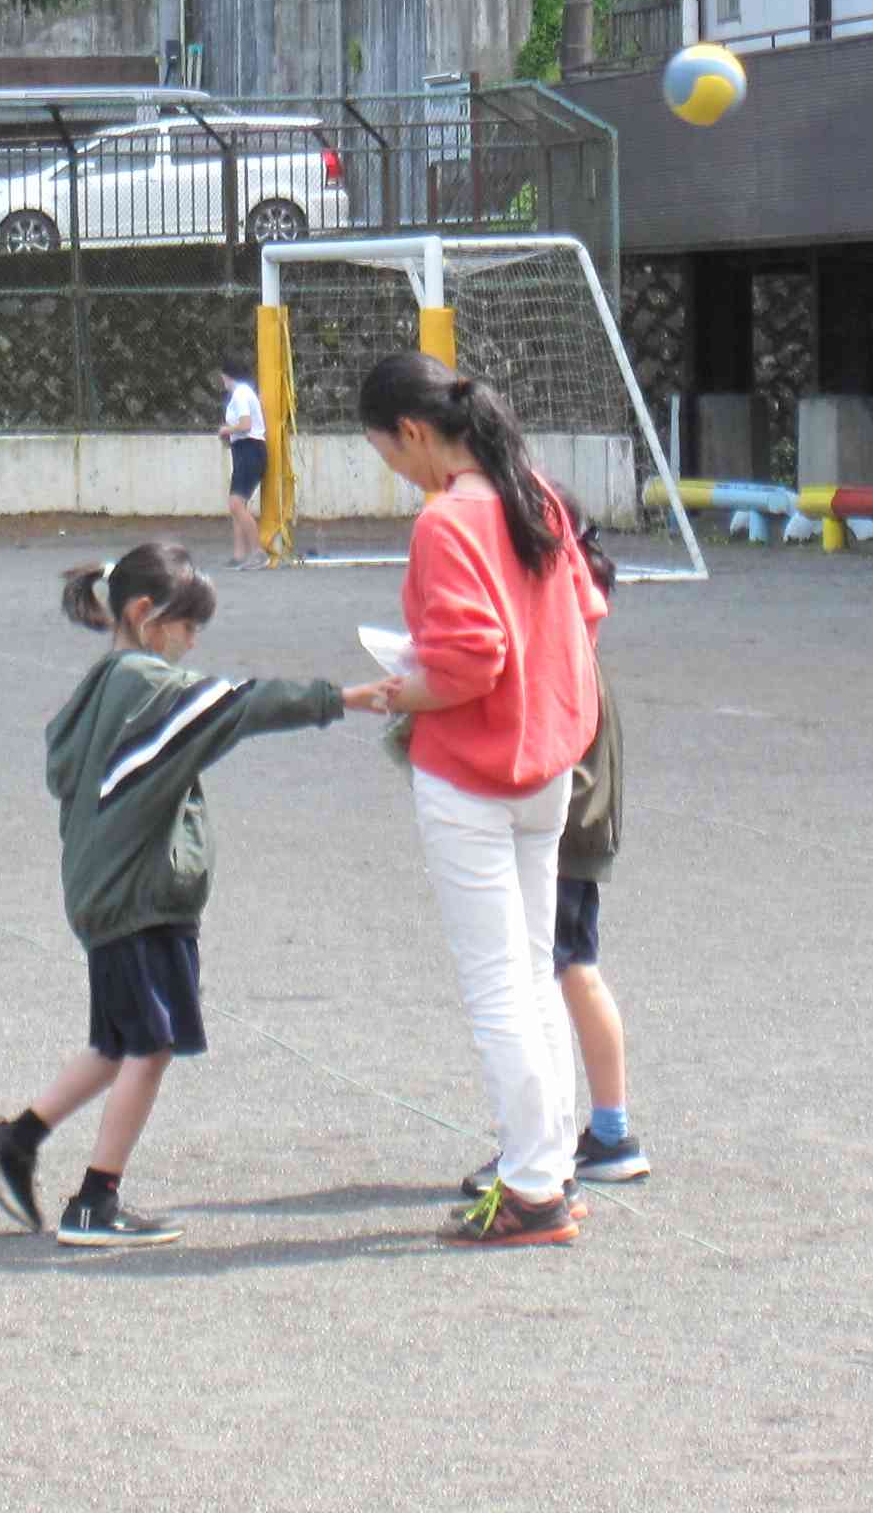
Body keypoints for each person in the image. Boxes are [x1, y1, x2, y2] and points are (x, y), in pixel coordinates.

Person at [0, 545, 381, 1247]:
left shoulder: (103, 685)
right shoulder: (143, 683)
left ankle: (17, 1140)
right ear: (144, 614)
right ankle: (95, 1201)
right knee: (150, 1046)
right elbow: (238, 707)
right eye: (187, 627)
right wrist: (341, 698)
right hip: (139, 899)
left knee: (117, 1042)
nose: (192, 643)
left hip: (112, 894)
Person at [358, 350, 607, 1248]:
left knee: (499, 985)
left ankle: (533, 1187)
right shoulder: (533, 493)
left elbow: (469, 664)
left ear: (414, 432)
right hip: (548, 763)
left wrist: (401, 691)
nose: (399, 472)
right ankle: (551, 1168)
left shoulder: (447, 521)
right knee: (535, 972)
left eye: (392, 454)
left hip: (471, 771)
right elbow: (587, 612)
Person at [456, 487, 647, 1202]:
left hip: (563, 832)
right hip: (574, 828)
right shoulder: (573, 634)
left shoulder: (564, 647)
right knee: (570, 971)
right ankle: (604, 1132)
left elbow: (547, 742)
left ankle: (569, 1140)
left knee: (552, 976)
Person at [213, 354, 268, 571]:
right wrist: (230, 435)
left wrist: (227, 430)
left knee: (236, 504)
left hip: (250, 451)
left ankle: (257, 553)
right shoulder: (242, 394)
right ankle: (239, 554)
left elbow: (246, 425)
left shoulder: (240, 394)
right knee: (238, 505)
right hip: (245, 450)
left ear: (227, 375)